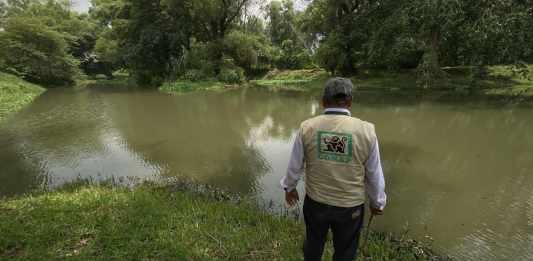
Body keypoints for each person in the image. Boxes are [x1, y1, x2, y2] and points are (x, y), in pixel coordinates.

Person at [280, 77, 387, 261]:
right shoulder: (367, 131)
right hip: (350, 207)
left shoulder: (308, 127)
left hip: (316, 203)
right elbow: (374, 174)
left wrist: (289, 188)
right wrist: (377, 202)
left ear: (323, 102)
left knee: (313, 244)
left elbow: (294, 166)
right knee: (346, 251)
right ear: (350, 102)